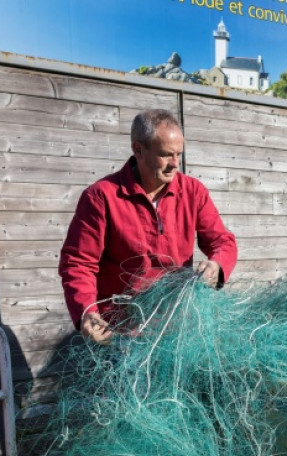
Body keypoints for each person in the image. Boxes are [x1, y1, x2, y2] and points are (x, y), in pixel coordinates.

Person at [59, 108, 238, 344]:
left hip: (176, 326)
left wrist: (217, 265)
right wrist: (86, 312)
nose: (175, 164)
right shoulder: (101, 197)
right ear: (138, 149)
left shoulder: (193, 191)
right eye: (166, 155)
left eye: (179, 154)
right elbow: (78, 263)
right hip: (118, 332)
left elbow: (222, 241)